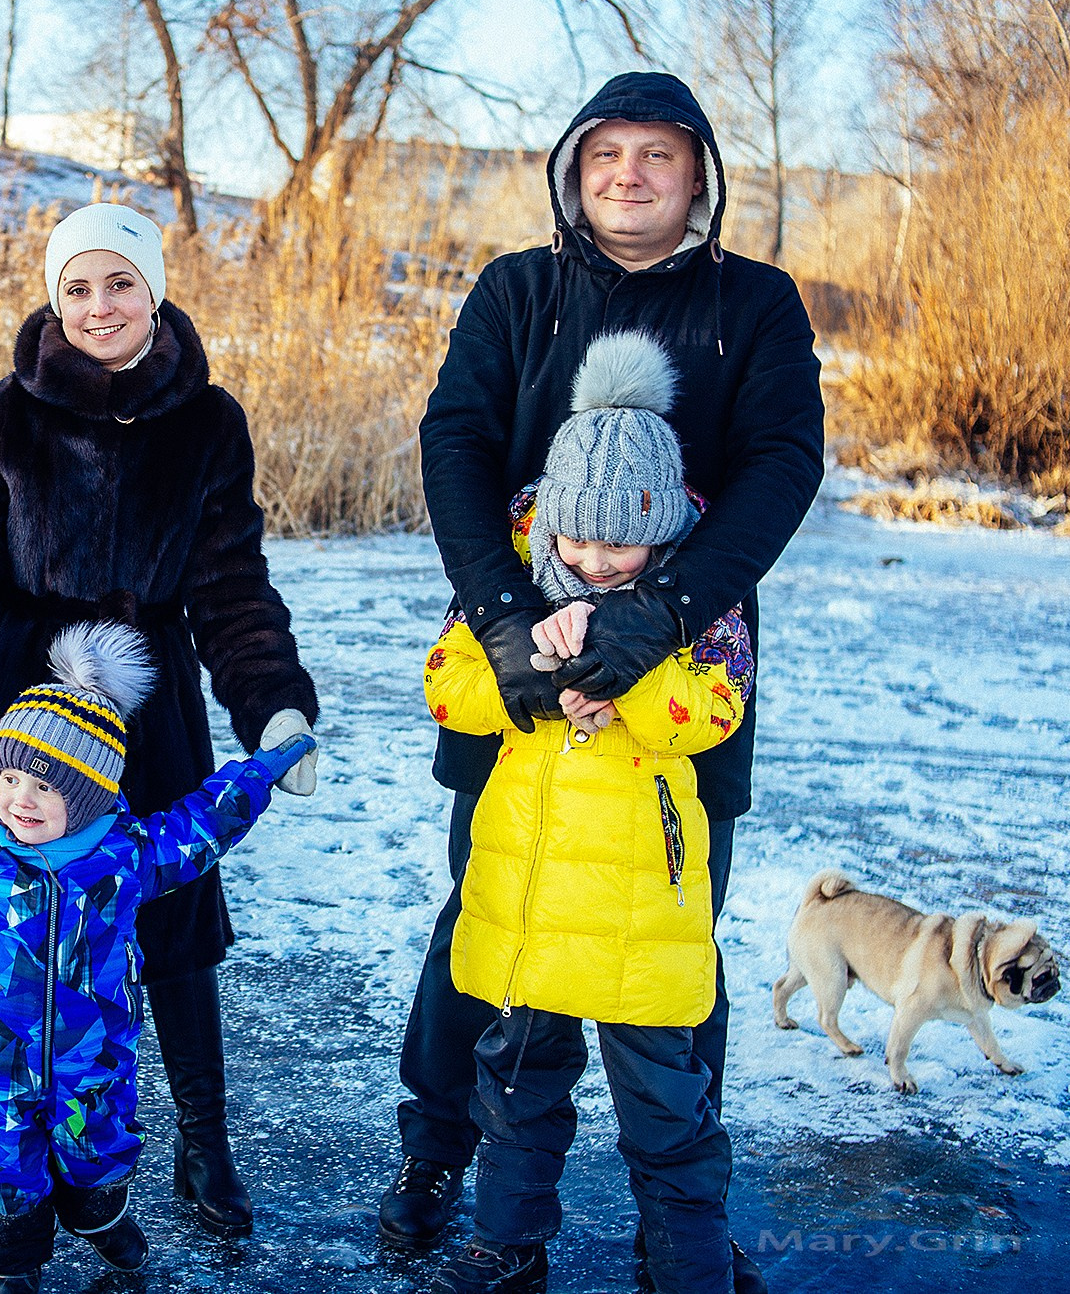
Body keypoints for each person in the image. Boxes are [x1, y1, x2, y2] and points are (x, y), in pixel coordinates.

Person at [391, 72, 824, 1294]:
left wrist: (665, 614)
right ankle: (438, 1157)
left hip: (683, 689)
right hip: (513, 667)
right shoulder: (516, 292)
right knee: (478, 934)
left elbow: (784, 464)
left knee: (674, 943)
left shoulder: (755, 305)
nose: (628, 173)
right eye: (605, 153)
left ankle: (681, 1214)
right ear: (573, 171)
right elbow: (454, 443)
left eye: (657, 154)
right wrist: (502, 624)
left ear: (698, 177)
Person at [0, 203, 319, 1243]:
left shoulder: (208, 421)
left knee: (170, 919)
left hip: (147, 703)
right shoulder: (12, 412)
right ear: (55, 300)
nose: (100, 306)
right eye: (77, 288)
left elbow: (230, 582)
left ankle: (202, 1143)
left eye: (119, 284)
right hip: (15, 693)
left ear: (155, 291)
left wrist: (271, 703)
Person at [0, 624, 315, 1293]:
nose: (20, 798)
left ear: (86, 799)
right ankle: (13, 1266)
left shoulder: (123, 859)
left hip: (93, 1064)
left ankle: (100, 1215)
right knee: (1, 1174)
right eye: (9, 777)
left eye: (45, 787)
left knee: (97, 1159)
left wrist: (260, 771)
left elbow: (199, 826)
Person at [422, 332, 753, 1294]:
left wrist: (627, 677)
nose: (599, 560)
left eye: (624, 540)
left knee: (666, 1107)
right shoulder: (516, 586)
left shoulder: (693, 607)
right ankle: (506, 1248)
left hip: (638, 916)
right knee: (516, 1092)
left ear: (664, 528)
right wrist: (528, 662)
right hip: (528, 907)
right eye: (580, 537)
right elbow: (448, 689)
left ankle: (690, 1263)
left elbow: (716, 705)